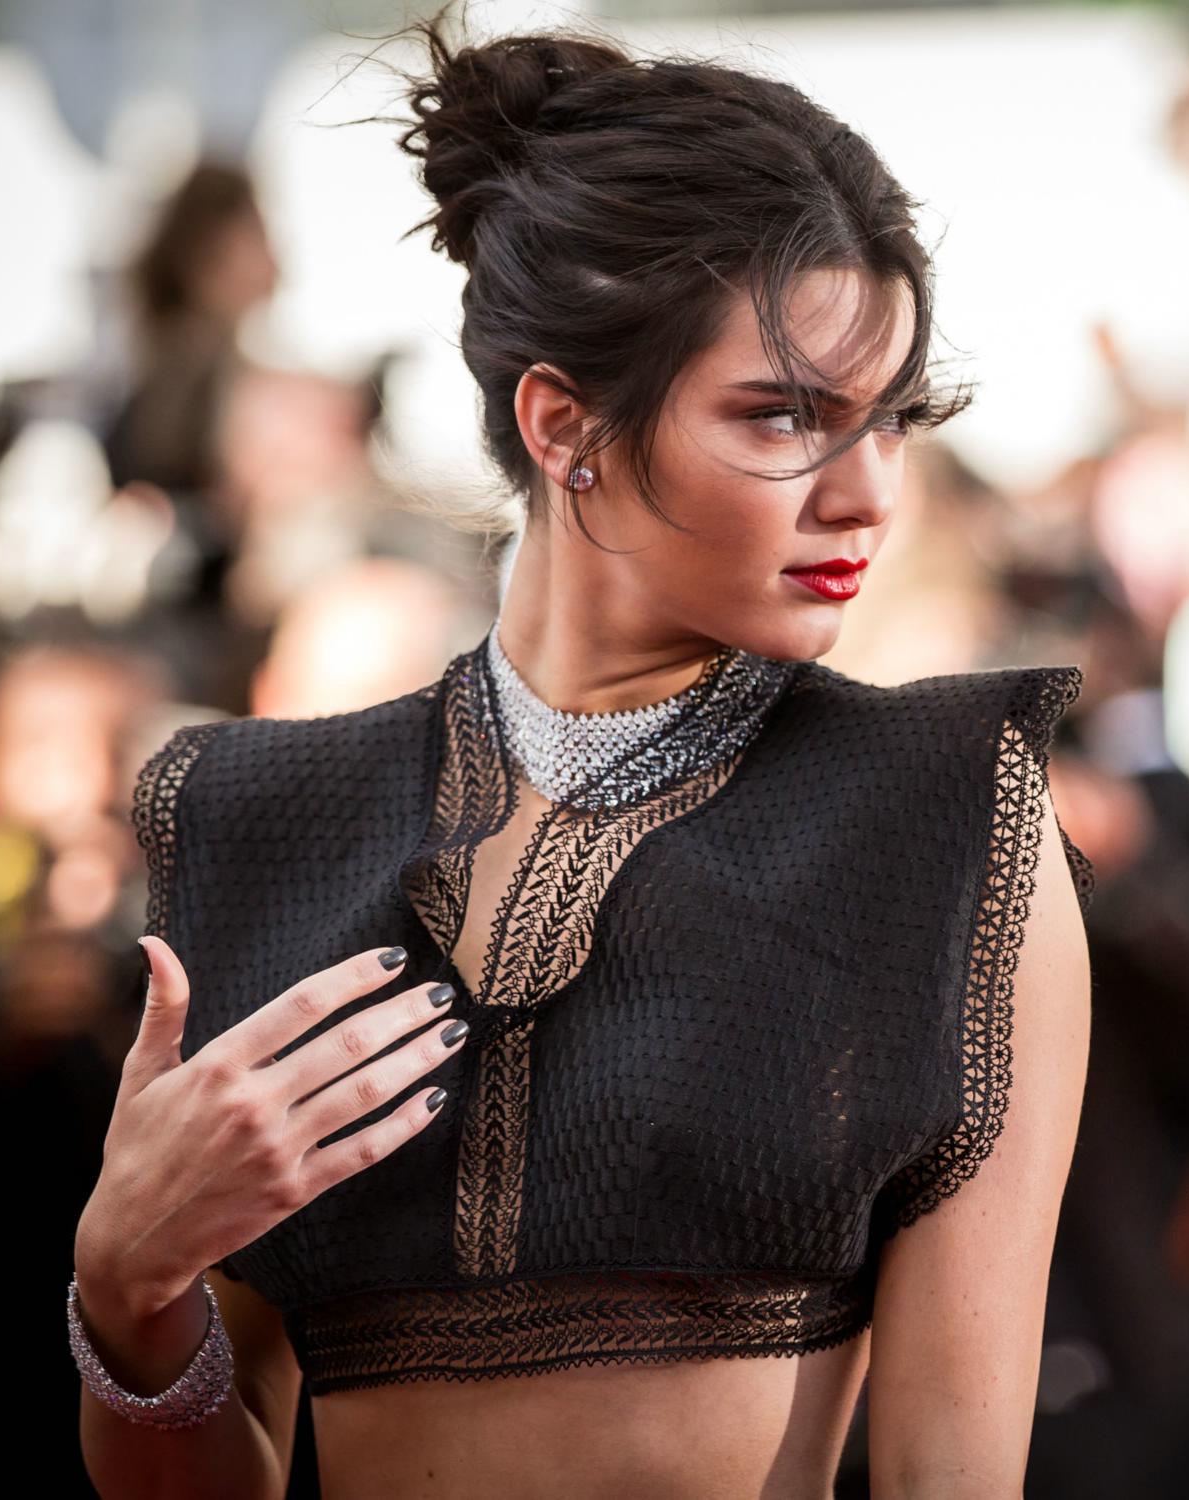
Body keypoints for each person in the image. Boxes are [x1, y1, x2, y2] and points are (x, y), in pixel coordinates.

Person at [68, 15, 1096, 1500]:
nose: (868, 494)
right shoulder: (262, 820)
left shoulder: (942, 817)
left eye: (889, 422)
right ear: (565, 426)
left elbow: (953, 1477)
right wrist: (124, 1288)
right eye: (785, 418)